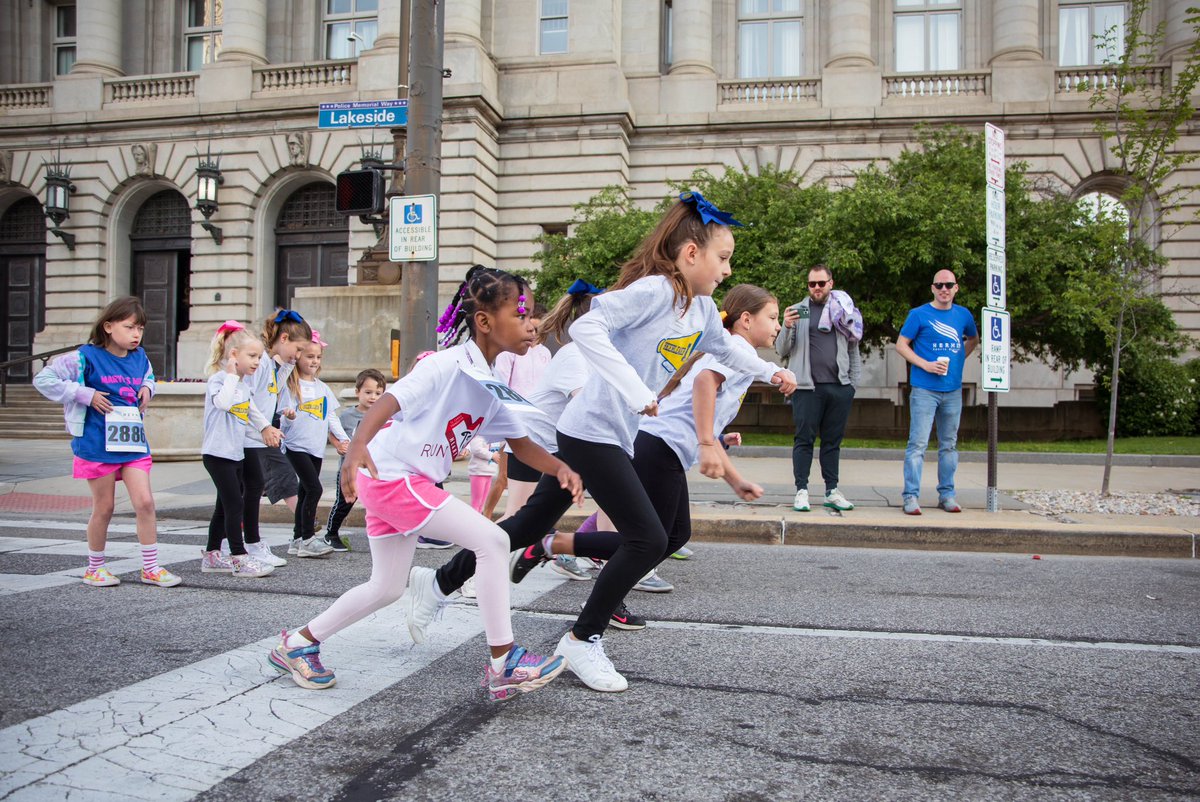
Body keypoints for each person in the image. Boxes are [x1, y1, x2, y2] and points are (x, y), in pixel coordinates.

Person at [412, 192, 796, 694]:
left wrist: (773, 370)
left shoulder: (700, 311)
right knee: (650, 539)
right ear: (691, 254)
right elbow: (590, 325)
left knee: (529, 521)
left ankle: (439, 581)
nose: (726, 271)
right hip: (591, 430)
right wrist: (636, 391)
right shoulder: (656, 292)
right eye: (723, 258)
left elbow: (727, 349)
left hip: (610, 433)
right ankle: (581, 639)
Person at [269, 265, 581, 701]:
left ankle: (297, 644)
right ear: (485, 322)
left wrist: (560, 468)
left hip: (403, 481)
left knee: (387, 587)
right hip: (394, 476)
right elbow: (395, 398)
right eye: (522, 313)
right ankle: (503, 661)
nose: (533, 325)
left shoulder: (489, 380)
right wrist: (357, 445)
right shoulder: (448, 364)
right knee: (492, 542)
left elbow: (520, 443)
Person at [510, 284, 779, 616]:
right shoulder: (739, 350)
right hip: (655, 445)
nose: (778, 325)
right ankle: (589, 589)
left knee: (673, 536)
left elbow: (699, 423)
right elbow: (703, 385)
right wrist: (710, 445)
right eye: (772, 317)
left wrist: (731, 475)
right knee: (649, 541)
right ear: (747, 320)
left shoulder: (730, 350)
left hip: (661, 445)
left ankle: (558, 552)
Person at [33, 296, 181, 588]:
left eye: (140, 328)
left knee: (146, 502)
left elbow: (148, 378)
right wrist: (84, 394)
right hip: (96, 443)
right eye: (129, 327)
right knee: (105, 507)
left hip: (132, 443)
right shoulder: (84, 357)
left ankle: (150, 567)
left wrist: (148, 390)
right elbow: (44, 379)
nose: (136, 334)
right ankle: (95, 567)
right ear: (109, 326)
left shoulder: (140, 358)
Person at [774, 264, 862, 513]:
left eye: (821, 283)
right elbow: (782, 350)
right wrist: (786, 326)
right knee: (804, 440)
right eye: (812, 284)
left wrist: (852, 384)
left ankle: (831, 490)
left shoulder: (844, 311)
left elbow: (852, 349)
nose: (816, 288)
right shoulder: (798, 311)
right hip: (806, 388)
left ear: (831, 283)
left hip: (839, 387)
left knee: (832, 442)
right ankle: (801, 491)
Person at [895, 269, 979, 515]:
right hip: (924, 389)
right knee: (917, 445)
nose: (944, 289)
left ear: (956, 288)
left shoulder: (963, 315)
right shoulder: (919, 314)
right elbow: (901, 344)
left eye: (948, 285)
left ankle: (947, 495)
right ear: (932, 288)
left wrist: (959, 359)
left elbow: (973, 339)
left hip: (952, 390)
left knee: (949, 445)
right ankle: (910, 496)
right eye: (939, 285)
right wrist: (925, 364)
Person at [199, 322, 279, 577]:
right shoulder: (219, 380)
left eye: (259, 357)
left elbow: (253, 412)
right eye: (252, 356)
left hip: (235, 453)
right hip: (217, 454)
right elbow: (223, 403)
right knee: (235, 504)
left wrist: (267, 427)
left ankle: (212, 555)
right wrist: (232, 375)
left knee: (225, 505)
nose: (257, 362)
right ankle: (238, 557)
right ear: (234, 355)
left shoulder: (244, 386)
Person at [245, 309, 316, 562]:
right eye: (297, 350)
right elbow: (248, 398)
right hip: (253, 436)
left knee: (243, 492)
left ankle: (240, 544)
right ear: (283, 338)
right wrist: (265, 426)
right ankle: (246, 546)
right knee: (245, 491)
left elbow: (273, 395)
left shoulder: (276, 365)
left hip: (261, 434)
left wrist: (281, 415)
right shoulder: (262, 362)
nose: (298, 357)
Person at [281, 332, 350, 556]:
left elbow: (331, 417)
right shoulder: (290, 386)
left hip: (315, 447)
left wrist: (344, 439)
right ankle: (309, 538)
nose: (314, 361)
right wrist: (288, 417)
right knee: (314, 489)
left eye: (318, 357)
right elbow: (281, 416)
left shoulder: (322, 388)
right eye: (310, 356)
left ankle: (297, 539)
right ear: (298, 356)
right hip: (295, 445)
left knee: (304, 491)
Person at [323, 368, 386, 552]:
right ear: (357, 392)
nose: (372, 397)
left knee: (379, 502)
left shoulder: (381, 416)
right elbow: (333, 433)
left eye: (377, 393)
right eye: (368, 392)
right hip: (349, 469)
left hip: (372, 469)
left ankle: (383, 535)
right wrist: (337, 444)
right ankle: (331, 534)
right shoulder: (347, 416)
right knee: (344, 502)